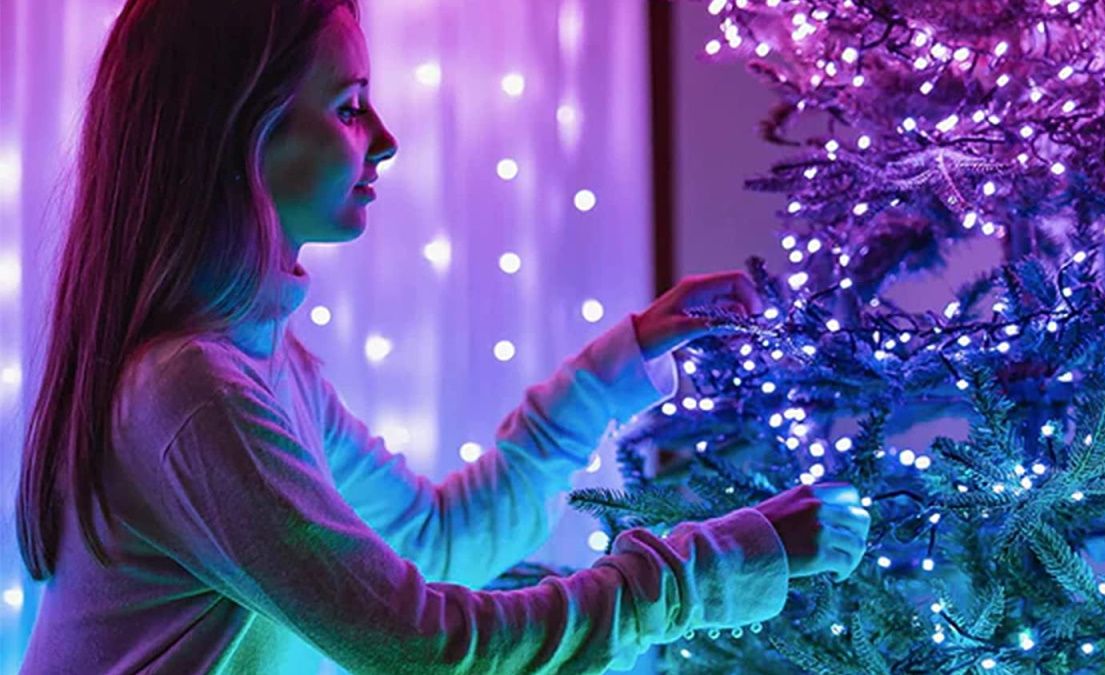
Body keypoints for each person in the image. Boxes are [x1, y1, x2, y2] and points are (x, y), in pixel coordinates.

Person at [15, 0, 871, 672]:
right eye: (349, 107)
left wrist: (619, 366)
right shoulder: (195, 394)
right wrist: (715, 566)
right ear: (244, 131)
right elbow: (424, 646)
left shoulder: (261, 366)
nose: (384, 141)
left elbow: (436, 541)